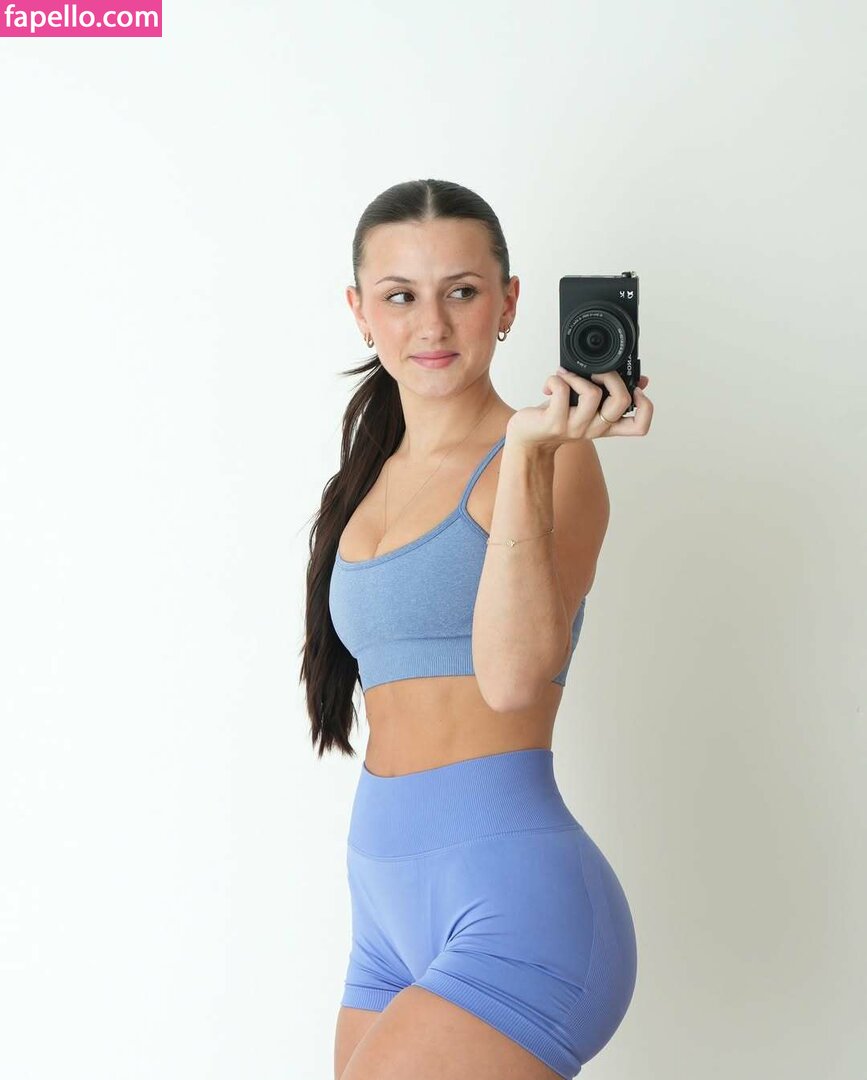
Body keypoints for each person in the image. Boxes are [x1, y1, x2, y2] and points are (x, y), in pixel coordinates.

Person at [300, 179, 654, 1080]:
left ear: (508, 303)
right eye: (399, 296)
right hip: (383, 913)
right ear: (359, 311)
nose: (432, 324)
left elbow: (512, 678)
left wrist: (531, 453)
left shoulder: (548, 459)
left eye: (460, 291)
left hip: (517, 908)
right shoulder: (365, 479)